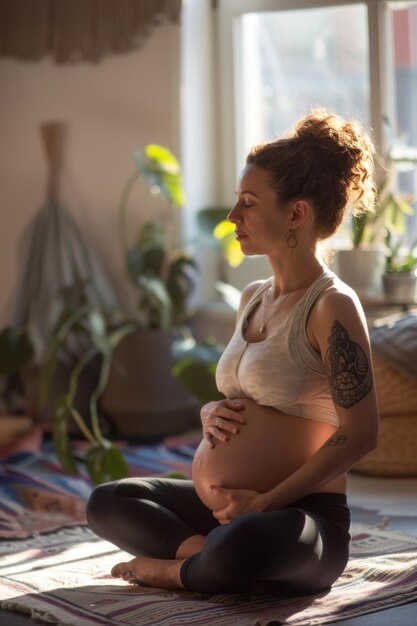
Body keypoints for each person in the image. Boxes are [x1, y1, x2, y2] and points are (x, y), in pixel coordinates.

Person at [86, 109, 380, 596]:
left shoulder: (332, 306)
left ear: (296, 214)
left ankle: (179, 569)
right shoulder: (253, 298)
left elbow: (362, 433)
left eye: (247, 203)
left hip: (299, 517)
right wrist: (209, 412)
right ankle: (202, 556)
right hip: (228, 513)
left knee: (243, 542)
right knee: (109, 501)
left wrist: (264, 504)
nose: (232, 217)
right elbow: (252, 397)